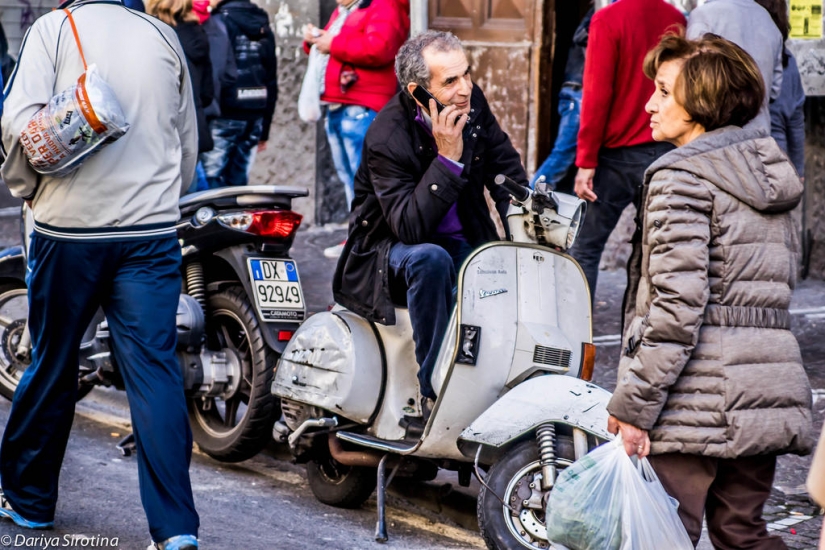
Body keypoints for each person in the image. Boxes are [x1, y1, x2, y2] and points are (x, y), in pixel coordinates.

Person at [0, 4, 200, 550]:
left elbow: (17, 124)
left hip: (71, 232)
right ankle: (176, 528)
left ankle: (30, 502)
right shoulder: (164, 34)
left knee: (54, 361)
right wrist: (158, 203)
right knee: (155, 373)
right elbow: (186, 145)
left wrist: (29, 193)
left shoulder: (54, 28)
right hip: (151, 233)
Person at [606, 33, 814, 549]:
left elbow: (677, 307)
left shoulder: (682, 178)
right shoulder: (767, 172)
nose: (649, 105)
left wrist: (633, 406)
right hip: (764, 391)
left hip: (694, 402)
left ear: (699, 105)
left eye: (662, 91)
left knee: (657, 536)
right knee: (741, 533)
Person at [331, 30, 527, 410]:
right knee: (431, 259)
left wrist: (524, 223)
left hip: (462, 236)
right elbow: (409, 227)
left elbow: (504, 169)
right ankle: (433, 389)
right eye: (450, 81)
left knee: (500, 267)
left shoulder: (471, 104)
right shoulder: (387, 137)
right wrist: (448, 160)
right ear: (418, 91)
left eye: (467, 74)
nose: (465, 88)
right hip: (389, 250)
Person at [570, 0, 684, 300]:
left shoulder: (608, 19)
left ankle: (578, 337)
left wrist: (586, 161)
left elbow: (596, 93)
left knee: (585, 248)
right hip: (666, 152)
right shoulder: (676, 18)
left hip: (615, 158)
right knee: (660, 252)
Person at [303, 0, 410, 209]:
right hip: (338, 105)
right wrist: (312, 40)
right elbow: (331, 45)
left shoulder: (384, 5)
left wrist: (332, 44)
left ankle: (371, 237)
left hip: (362, 106)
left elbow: (379, 48)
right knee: (349, 177)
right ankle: (356, 235)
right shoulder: (345, 10)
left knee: (365, 179)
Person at [199, 0, 277, 188]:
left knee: (212, 182)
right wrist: (264, 130)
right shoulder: (263, 25)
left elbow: (216, 72)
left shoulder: (217, 22)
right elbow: (271, 79)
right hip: (255, 114)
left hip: (224, 113)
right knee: (239, 184)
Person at [146, 0, 214, 192]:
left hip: (163, 129)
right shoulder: (199, 34)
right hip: (195, 126)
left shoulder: (156, 36)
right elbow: (208, 92)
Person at [686, 0, 783, 133]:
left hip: (714, 138)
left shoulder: (703, 15)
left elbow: (690, 80)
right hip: (759, 135)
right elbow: (775, 90)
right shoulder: (768, 20)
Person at [530, 7, 592, 190]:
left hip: (579, 92)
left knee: (575, 156)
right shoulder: (602, 11)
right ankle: (530, 202)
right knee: (564, 154)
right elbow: (584, 38)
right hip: (578, 92)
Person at [754, 0, 805, 179]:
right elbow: (795, 123)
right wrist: (798, 170)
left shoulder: (738, 59)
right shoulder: (788, 62)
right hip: (778, 166)